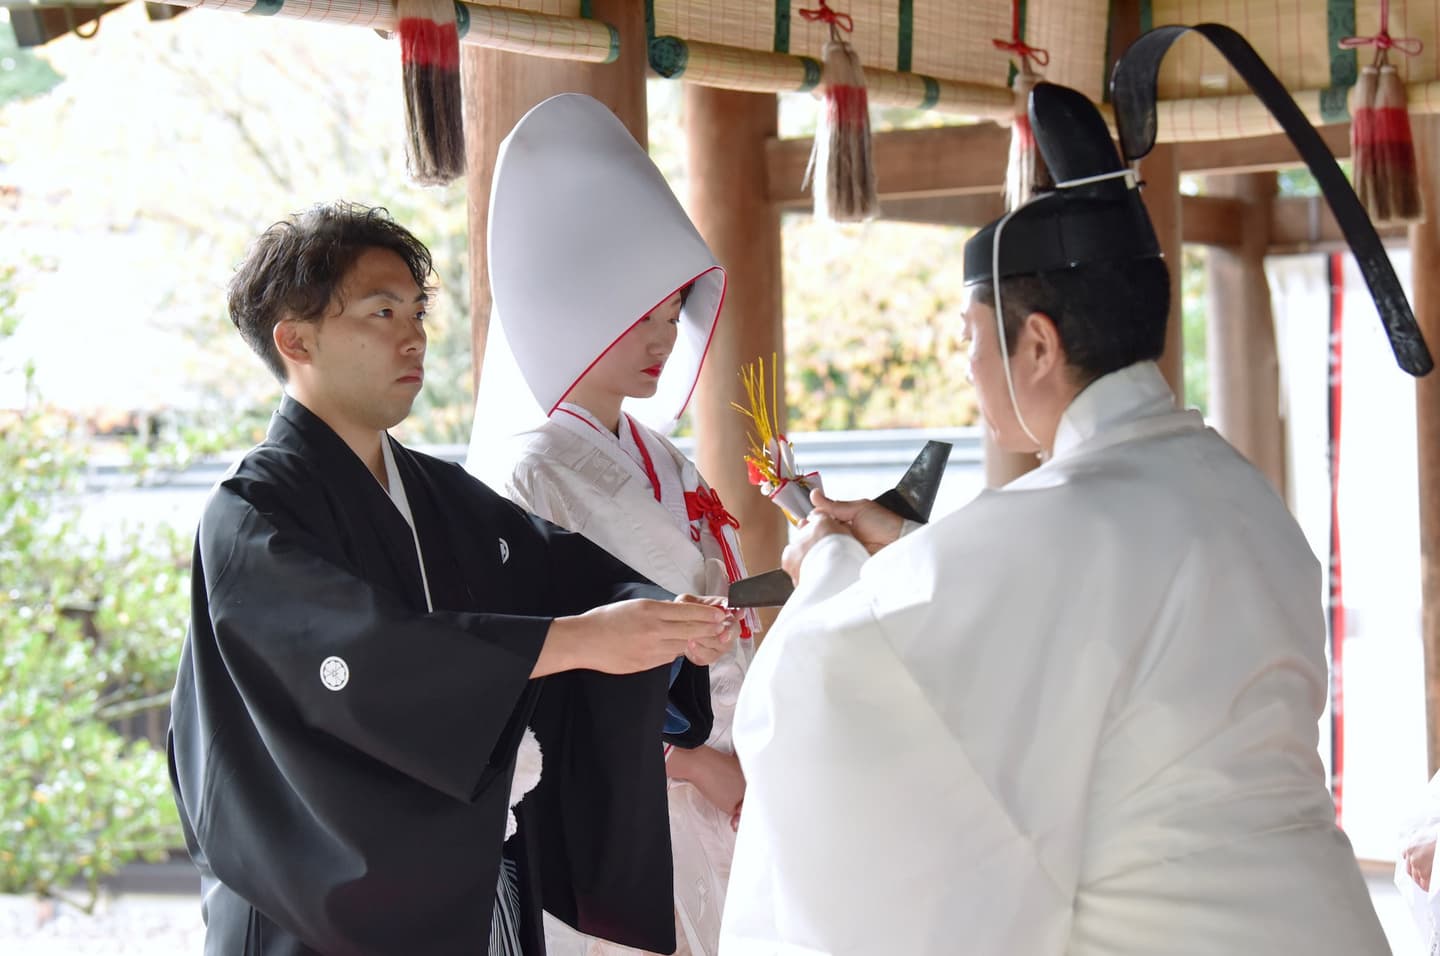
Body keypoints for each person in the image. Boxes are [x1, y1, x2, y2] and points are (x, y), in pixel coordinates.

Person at [718, 82, 1389, 956]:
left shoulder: (1061, 522)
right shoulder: (1231, 486)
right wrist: (908, 552)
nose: (965, 365)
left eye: (969, 335)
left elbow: (839, 675)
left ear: (1037, 343)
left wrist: (826, 570)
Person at [167, 201, 738, 956]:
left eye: (416, 310)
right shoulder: (251, 514)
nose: (412, 336)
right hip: (307, 907)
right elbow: (366, 658)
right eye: (380, 311)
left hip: (463, 886)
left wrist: (664, 626)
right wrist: (575, 642)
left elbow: (577, 580)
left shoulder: (438, 494)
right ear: (295, 340)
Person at [469, 92, 755, 956]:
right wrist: (686, 753)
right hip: (620, 797)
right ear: (580, 305)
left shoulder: (666, 458)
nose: (663, 339)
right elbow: (532, 666)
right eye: (642, 317)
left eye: (672, 317)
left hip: (720, 786)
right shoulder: (528, 472)